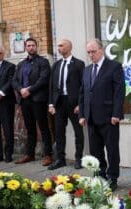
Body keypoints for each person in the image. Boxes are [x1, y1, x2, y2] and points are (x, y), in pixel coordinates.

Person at [79, 39, 125, 190]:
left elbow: (119, 92)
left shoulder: (114, 67)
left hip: (109, 117)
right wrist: (82, 114)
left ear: (101, 50)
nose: (91, 55)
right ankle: (100, 176)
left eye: (93, 51)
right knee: (95, 150)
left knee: (112, 150)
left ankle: (112, 177)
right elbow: (83, 93)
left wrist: (116, 114)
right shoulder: (86, 70)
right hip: (91, 118)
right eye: (89, 52)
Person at [12, 38, 53, 166]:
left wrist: (29, 90)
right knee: (30, 129)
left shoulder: (43, 62)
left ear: (36, 46)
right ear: (25, 47)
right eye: (28, 45)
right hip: (24, 101)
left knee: (44, 127)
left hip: (38, 100)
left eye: (33, 45)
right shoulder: (21, 64)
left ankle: (48, 155)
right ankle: (30, 154)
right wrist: (20, 90)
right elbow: (14, 80)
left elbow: (43, 79)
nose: (30, 47)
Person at [48, 39, 85, 170]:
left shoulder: (79, 64)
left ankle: (79, 158)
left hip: (73, 104)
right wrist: (51, 104)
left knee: (78, 132)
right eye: (58, 45)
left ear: (69, 47)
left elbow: (83, 86)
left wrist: (81, 104)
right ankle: (60, 159)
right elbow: (51, 85)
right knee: (59, 132)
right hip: (59, 103)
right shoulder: (56, 65)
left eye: (61, 45)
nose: (59, 48)